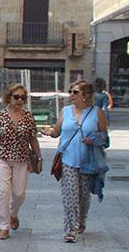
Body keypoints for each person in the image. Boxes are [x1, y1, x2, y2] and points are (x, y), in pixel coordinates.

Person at [41, 80, 110, 242]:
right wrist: (47, 132)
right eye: (70, 91)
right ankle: (70, 230)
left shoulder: (96, 112)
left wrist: (93, 140)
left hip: (88, 162)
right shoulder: (65, 111)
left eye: (75, 92)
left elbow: (105, 139)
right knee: (70, 197)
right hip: (68, 160)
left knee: (84, 198)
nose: (71, 94)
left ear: (85, 96)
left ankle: (81, 220)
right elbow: (57, 132)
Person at [0, 83, 40, 240]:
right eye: (16, 97)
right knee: (3, 192)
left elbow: (33, 139)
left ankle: (13, 214)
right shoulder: (0, 116)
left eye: (22, 97)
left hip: (21, 159)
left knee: (20, 194)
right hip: (2, 157)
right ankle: (4, 226)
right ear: (9, 98)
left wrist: (39, 158)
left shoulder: (28, 117)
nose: (19, 100)